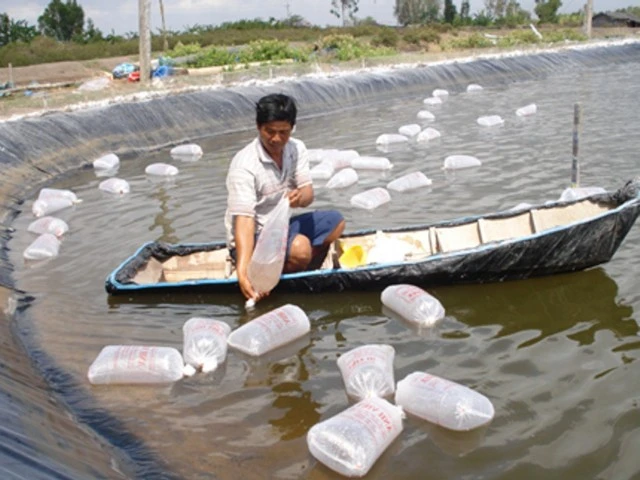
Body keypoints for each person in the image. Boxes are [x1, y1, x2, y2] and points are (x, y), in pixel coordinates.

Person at [225, 93, 345, 302]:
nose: (277, 139)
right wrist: (243, 272)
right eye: (270, 132)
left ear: (292, 128)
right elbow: (244, 221)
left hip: (281, 226)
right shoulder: (244, 165)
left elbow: (308, 195)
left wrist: (300, 198)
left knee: (337, 223)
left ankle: (297, 269)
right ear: (258, 126)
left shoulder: (296, 149)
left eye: (284, 132)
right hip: (255, 236)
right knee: (301, 248)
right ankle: (268, 278)